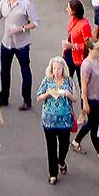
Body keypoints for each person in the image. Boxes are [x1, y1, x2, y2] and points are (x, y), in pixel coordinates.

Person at [0, 0, 40, 110]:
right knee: (4, 71)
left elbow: (35, 22)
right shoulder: (3, 2)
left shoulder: (26, 5)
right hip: (6, 43)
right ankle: (3, 97)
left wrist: (21, 28)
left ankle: (27, 100)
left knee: (25, 71)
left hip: (22, 45)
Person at [36, 55, 79, 186]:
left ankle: (61, 160)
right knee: (51, 147)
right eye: (54, 68)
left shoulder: (69, 81)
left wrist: (68, 94)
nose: (56, 71)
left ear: (63, 69)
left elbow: (75, 98)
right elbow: (38, 96)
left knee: (64, 144)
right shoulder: (47, 80)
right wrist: (48, 93)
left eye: (59, 68)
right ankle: (53, 173)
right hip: (49, 120)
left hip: (64, 120)